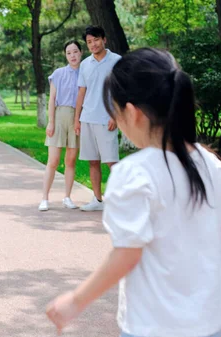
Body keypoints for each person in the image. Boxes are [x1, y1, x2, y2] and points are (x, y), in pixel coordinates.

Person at [46, 48, 221, 337]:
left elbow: (128, 253)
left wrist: (76, 300)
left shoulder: (132, 175)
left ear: (132, 113)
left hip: (154, 327)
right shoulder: (212, 165)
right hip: (204, 322)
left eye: (116, 115)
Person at [74, 26, 122, 211]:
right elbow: (81, 92)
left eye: (96, 40)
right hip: (87, 118)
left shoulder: (117, 61)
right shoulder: (85, 64)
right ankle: (97, 200)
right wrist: (77, 119)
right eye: (89, 42)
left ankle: (123, 200)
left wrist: (115, 115)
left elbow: (121, 90)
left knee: (112, 162)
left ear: (104, 39)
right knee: (92, 161)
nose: (93, 44)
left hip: (106, 119)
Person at [39, 40, 82, 212]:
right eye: (69, 53)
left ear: (81, 53)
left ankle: (67, 197)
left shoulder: (85, 74)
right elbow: (51, 100)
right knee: (53, 160)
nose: (72, 55)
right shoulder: (58, 73)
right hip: (59, 116)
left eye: (75, 52)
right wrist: (51, 122)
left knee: (70, 160)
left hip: (76, 118)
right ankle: (44, 198)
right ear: (66, 55)